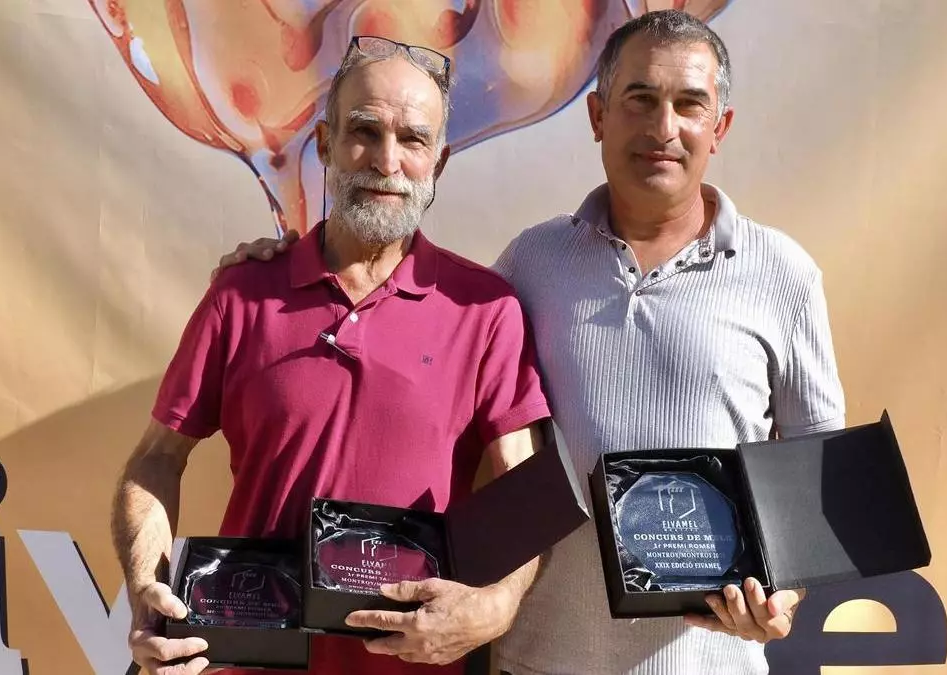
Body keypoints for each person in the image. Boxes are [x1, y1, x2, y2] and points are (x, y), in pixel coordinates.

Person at [216, 10, 847, 675]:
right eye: (639, 99)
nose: (664, 127)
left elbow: (815, 474)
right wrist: (280, 265)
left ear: (720, 126)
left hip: (709, 663)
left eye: (690, 104)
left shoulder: (783, 275)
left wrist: (785, 594)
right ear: (598, 116)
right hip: (541, 660)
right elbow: (406, 321)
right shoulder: (532, 264)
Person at [111, 35, 552, 675]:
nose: (387, 161)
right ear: (324, 143)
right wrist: (147, 589)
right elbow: (155, 459)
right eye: (365, 132)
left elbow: (523, 490)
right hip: (245, 660)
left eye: (413, 140)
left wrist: (498, 605)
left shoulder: (486, 310)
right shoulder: (242, 294)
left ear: (440, 162)